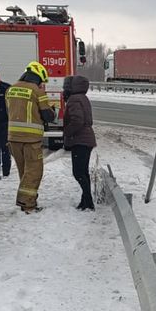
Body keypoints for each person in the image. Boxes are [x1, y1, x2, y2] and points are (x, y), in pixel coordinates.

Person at [6, 62, 55, 213]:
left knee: (24, 171)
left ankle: (26, 201)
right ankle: (27, 204)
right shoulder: (37, 91)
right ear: (38, 77)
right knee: (34, 171)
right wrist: (53, 111)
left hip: (13, 137)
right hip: (31, 139)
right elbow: (48, 116)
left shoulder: (11, 89)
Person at [63, 74, 96, 210]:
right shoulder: (83, 98)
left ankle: (88, 201)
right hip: (86, 139)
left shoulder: (74, 99)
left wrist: (67, 132)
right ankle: (85, 201)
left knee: (78, 172)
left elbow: (77, 120)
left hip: (80, 140)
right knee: (83, 172)